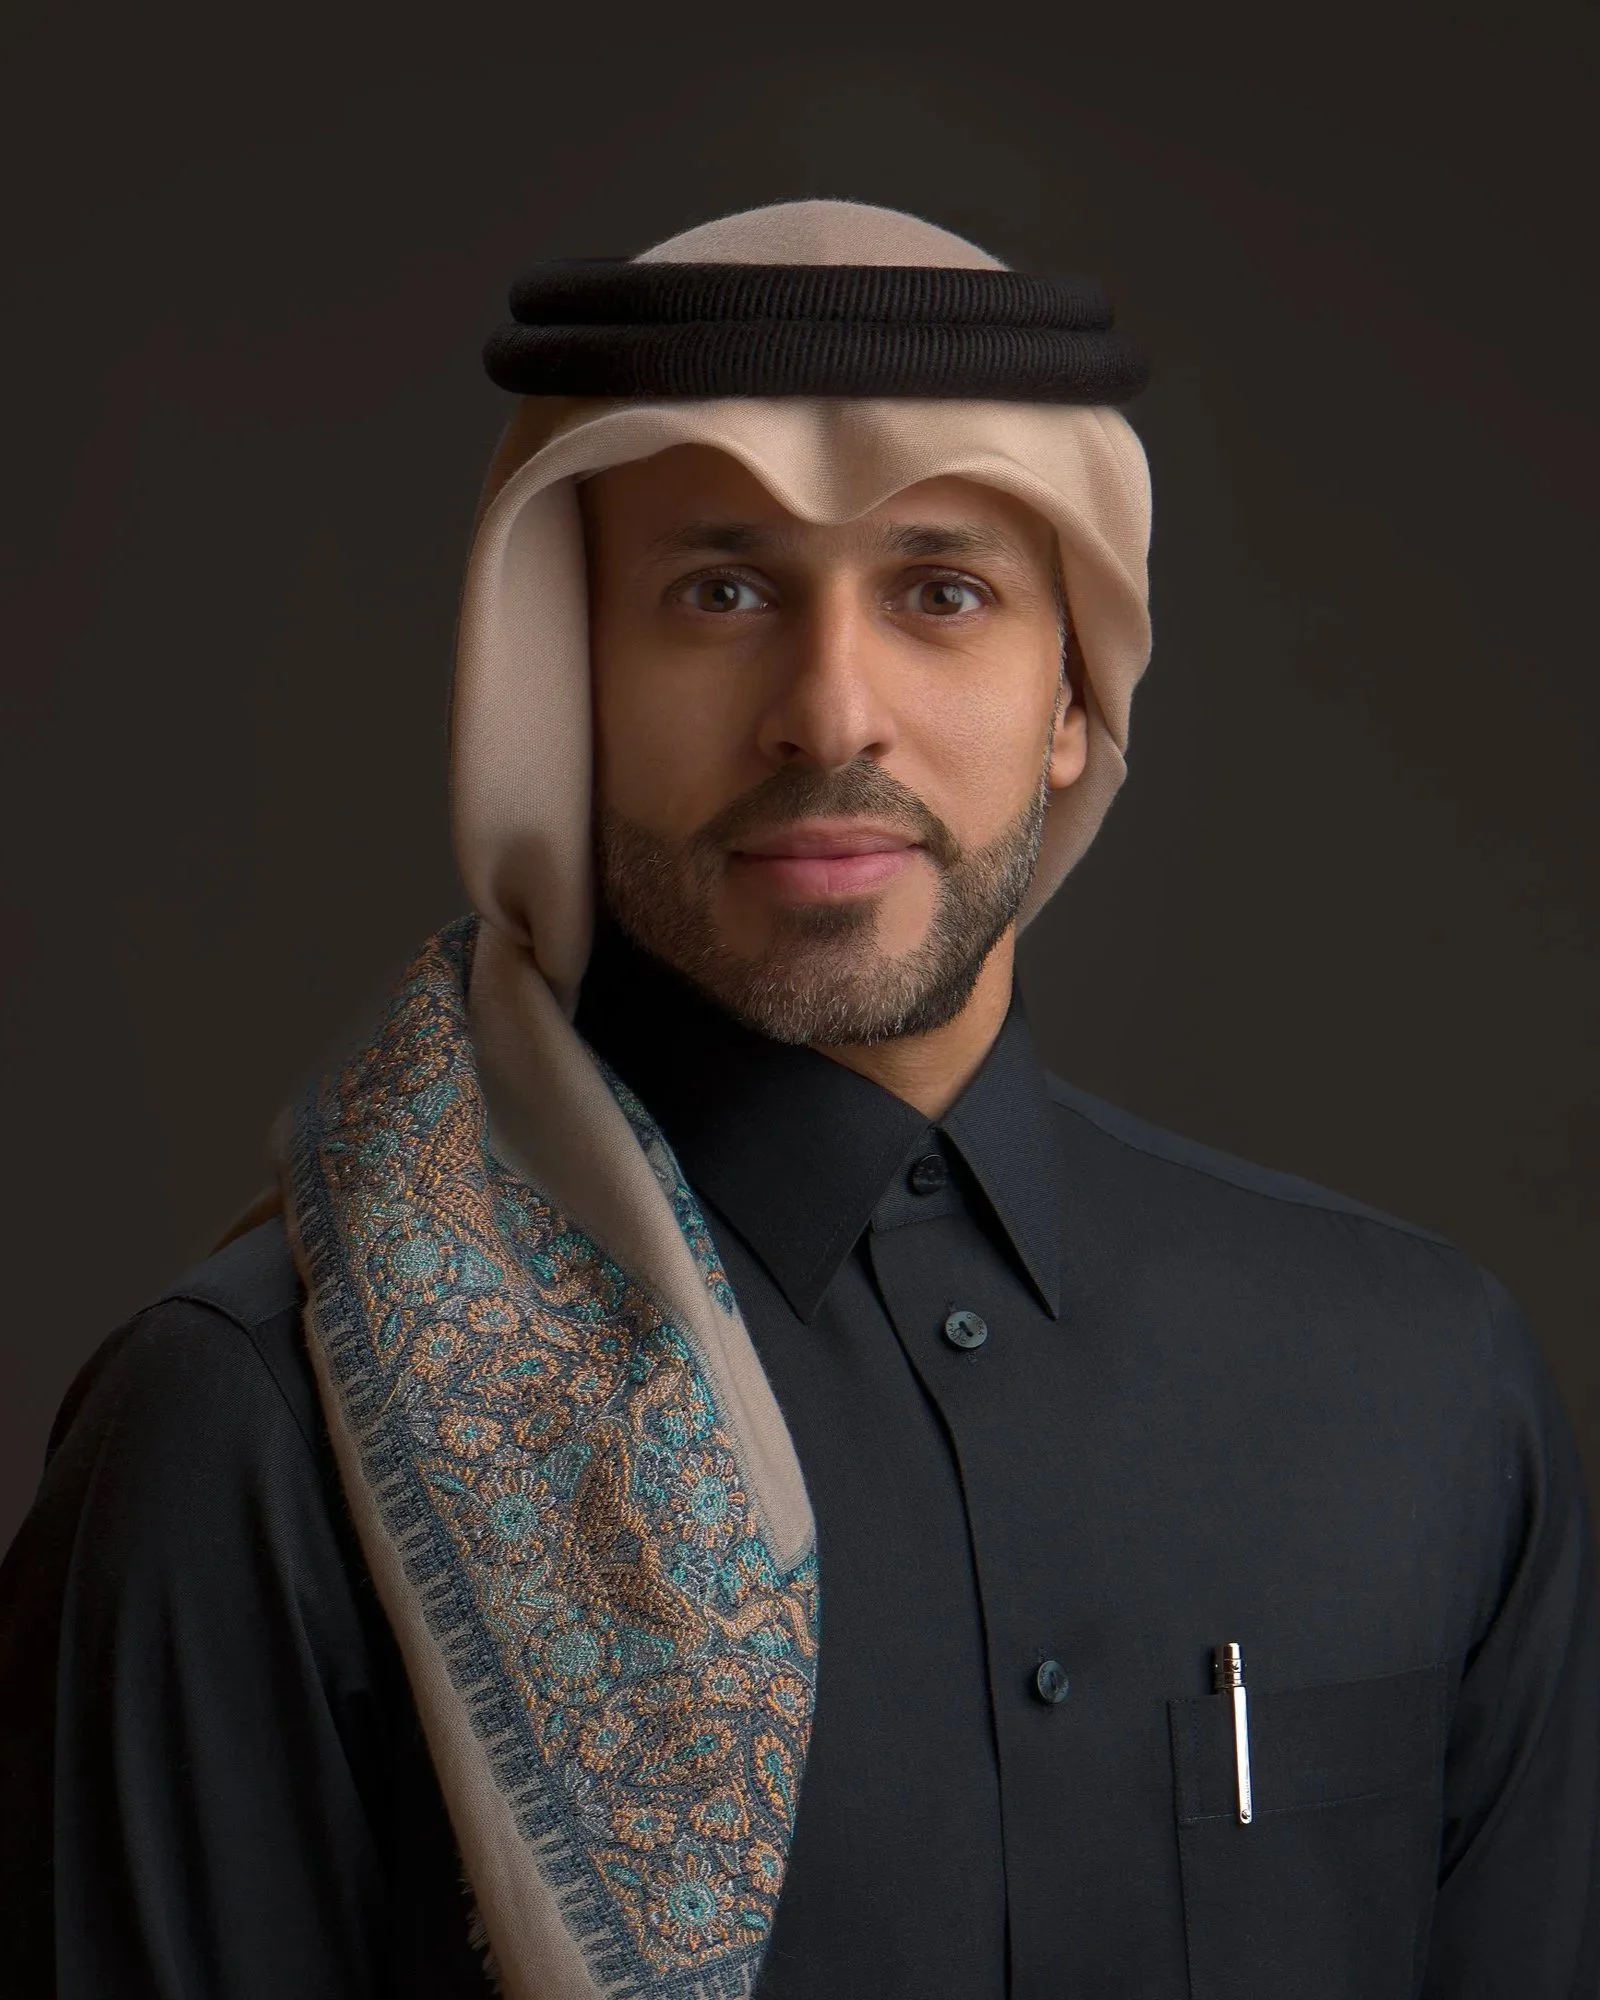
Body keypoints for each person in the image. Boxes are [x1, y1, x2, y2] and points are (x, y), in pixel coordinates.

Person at [0, 198, 1595, 2000]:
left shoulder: (1423, 1389)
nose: (830, 712)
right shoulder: (256, 1439)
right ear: (567, 683)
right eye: (722, 591)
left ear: (1075, 691)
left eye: (943, 590)